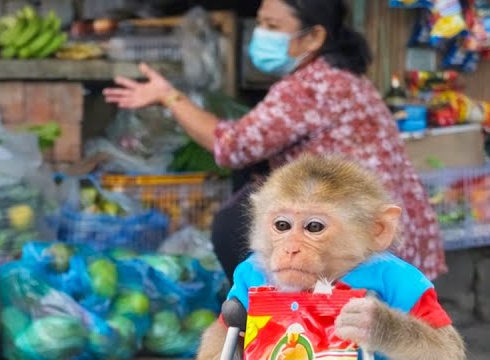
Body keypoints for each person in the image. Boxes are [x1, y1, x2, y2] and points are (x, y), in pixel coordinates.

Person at [104, 0, 446, 283]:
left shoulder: (310, 86)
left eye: (272, 26)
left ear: (313, 37)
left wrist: (169, 96)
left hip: (358, 242)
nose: (261, 33)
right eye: (260, 23)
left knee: (236, 224)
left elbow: (232, 146)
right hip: (387, 232)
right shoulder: (342, 77)